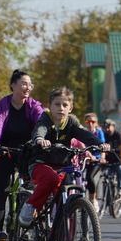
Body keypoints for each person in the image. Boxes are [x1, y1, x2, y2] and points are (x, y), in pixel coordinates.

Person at [19, 87, 104, 226]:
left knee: (67, 190)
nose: (61, 108)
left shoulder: (71, 122)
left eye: (65, 105)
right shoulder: (46, 119)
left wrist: (100, 144)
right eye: (57, 104)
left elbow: (85, 135)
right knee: (50, 178)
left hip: (63, 166)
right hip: (40, 163)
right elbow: (40, 130)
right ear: (50, 106)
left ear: (70, 108)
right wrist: (40, 139)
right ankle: (30, 206)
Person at [0, 70, 44, 241]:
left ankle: (25, 229)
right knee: (2, 192)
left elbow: (42, 123)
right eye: (24, 83)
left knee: (30, 190)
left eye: (30, 84)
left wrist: (44, 139)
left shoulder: (33, 106)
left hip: (27, 152)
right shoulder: (3, 105)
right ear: (13, 85)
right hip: (3, 151)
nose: (28, 87)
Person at [82, 112, 106, 211]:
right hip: (85, 158)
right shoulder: (83, 132)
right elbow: (81, 145)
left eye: (93, 121)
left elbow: (103, 146)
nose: (90, 124)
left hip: (96, 159)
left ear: (96, 123)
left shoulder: (99, 132)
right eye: (88, 121)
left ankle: (93, 199)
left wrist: (102, 157)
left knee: (90, 177)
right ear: (85, 123)